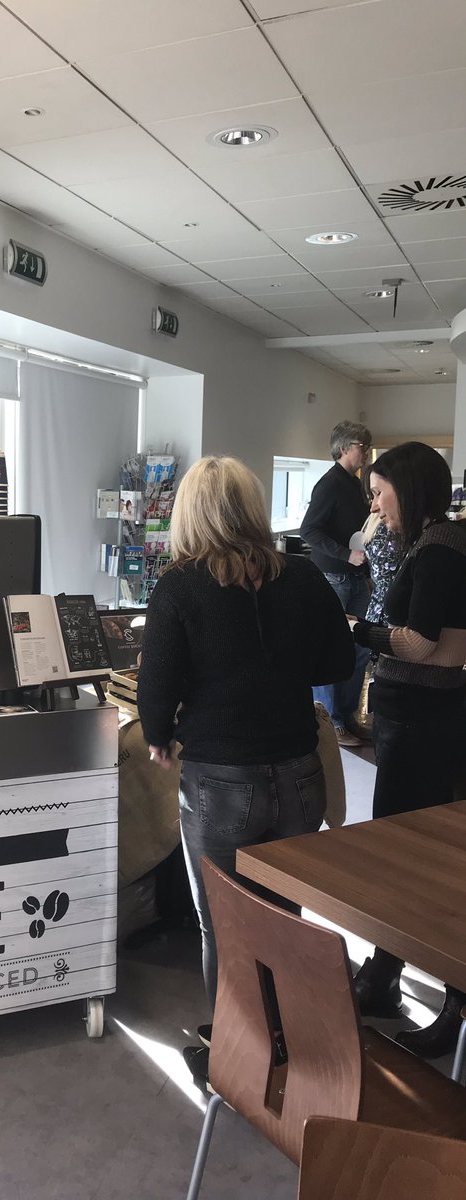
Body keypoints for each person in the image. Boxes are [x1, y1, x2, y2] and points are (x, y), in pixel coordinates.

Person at [136, 456, 353, 1084]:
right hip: (298, 775)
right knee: (285, 919)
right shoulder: (305, 578)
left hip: (218, 781)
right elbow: (339, 662)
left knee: (226, 924)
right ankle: (288, 1036)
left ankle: (240, 1049)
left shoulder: (180, 585)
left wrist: (157, 738)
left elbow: (158, 682)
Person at [350, 442, 466, 1058]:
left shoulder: (442, 552)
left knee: (410, 856)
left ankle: (442, 1001)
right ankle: (384, 972)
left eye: (379, 491)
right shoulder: (434, 544)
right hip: (420, 718)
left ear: (409, 487)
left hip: (422, 722)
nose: (372, 502)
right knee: (401, 851)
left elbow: (420, 643)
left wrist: (360, 632)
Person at [300, 420, 373, 746]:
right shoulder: (329, 484)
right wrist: (346, 554)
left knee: (359, 650)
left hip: (358, 579)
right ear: (344, 447)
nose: (367, 452)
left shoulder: (358, 484)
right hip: (335, 577)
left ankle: (346, 715)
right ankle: (330, 722)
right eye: (362, 446)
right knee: (330, 648)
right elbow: (309, 531)